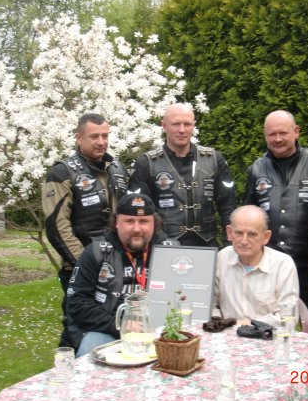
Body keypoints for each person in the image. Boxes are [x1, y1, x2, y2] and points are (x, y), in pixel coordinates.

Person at [244, 110, 308, 345]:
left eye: (283, 133)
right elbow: (249, 217)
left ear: (296, 131)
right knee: (266, 329)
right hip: (270, 266)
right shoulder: (256, 169)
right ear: (265, 135)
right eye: (272, 134)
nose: (278, 139)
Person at [42, 113, 129, 347]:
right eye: (94, 136)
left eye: (105, 136)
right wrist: (87, 263)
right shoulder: (62, 173)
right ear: (78, 138)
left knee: (116, 325)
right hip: (80, 267)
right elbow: (57, 227)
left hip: (118, 265)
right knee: (77, 328)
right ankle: (68, 366)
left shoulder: (119, 169)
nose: (101, 142)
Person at [66, 193, 176, 357]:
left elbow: (184, 296)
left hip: (158, 329)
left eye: (144, 221)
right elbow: (76, 303)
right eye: (129, 221)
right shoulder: (96, 252)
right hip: (106, 329)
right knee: (89, 360)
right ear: (117, 222)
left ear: (154, 223)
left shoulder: (171, 251)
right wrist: (119, 324)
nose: (137, 229)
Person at [128, 103, 236, 247]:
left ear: (194, 125)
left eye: (187, 124)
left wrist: (230, 245)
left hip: (207, 245)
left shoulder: (214, 160)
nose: (182, 130)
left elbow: (228, 207)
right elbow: (138, 212)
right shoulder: (146, 163)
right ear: (164, 125)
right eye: (176, 124)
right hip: (163, 246)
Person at [213, 205, 299, 327]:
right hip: (225, 333)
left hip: (267, 335)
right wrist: (219, 323)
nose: (244, 241)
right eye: (239, 233)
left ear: (266, 237)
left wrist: (247, 324)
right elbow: (210, 303)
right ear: (229, 232)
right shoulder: (221, 258)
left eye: (252, 234)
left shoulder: (283, 264)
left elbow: (288, 318)